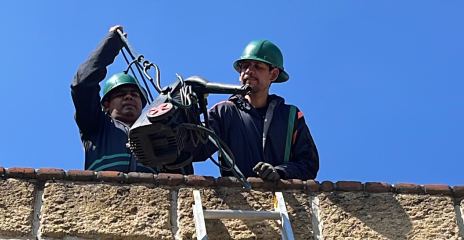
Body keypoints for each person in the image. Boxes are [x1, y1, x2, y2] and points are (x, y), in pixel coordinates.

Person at [72, 26, 186, 173]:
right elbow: (82, 84)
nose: (128, 96)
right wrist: (111, 43)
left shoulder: (158, 132)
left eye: (134, 94)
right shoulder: (96, 126)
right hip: (102, 193)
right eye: (120, 94)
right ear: (106, 104)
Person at [203, 39, 319, 182]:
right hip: (238, 199)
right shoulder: (224, 112)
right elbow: (197, 149)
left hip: (283, 200)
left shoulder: (290, 116)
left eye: (258, 66)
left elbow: (308, 164)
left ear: (273, 74)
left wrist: (280, 172)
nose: (249, 71)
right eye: (245, 66)